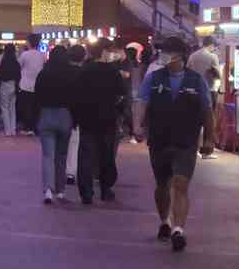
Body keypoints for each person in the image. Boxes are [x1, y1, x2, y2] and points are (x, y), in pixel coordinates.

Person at [138, 36, 214, 252]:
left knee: (181, 183)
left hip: (186, 141)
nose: (163, 55)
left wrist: (209, 138)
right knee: (162, 184)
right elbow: (142, 102)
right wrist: (137, 125)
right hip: (159, 139)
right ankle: (165, 221)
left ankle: (178, 230)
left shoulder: (196, 81)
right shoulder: (153, 78)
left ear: (179, 55)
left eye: (167, 51)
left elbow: (207, 111)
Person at [73, 38, 125, 205]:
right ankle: (105, 189)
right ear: (103, 51)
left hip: (87, 119)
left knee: (86, 156)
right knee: (106, 156)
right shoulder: (112, 71)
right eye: (110, 50)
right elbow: (121, 93)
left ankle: (86, 193)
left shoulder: (84, 70)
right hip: (107, 118)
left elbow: (76, 95)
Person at [34, 45, 79, 204]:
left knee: (47, 155)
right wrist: (75, 119)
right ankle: (60, 190)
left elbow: (36, 97)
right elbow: (75, 98)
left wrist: (35, 118)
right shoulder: (71, 74)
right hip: (65, 115)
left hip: (46, 114)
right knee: (61, 155)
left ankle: (48, 190)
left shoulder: (43, 73)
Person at [187, 36, 221, 159]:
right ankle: (206, 152)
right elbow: (218, 75)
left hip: (193, 91)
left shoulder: (192, 56)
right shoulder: (212, 57)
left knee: (193, 120)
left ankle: (192, 148)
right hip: (208, 91)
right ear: (211, 45)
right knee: (208, 122)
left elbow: (187, 72)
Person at [65, 44, 87, 184]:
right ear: (83, 57)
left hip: (62, 111)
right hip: (79, 113)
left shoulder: (62, 72)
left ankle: (60, 169)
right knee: (74, 143)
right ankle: (71, 172)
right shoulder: (85, 73)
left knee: (62, 143)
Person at [18, 34, 46, 134]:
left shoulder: (25, 54)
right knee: (35, 108)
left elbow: (19, 66)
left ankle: (27, 128)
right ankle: (34, 128)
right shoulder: (42, 55)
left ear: (29, 42)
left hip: (25, 85)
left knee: (26, 108)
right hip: (37, 85)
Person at [0, 44, 21, 136]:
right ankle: (13, 130)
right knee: (12, 108)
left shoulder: (3, 62)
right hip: (14, 85)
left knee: (4, 108)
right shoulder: (16, 62)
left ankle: (7, 130)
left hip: (4, 85)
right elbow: (19, 76)